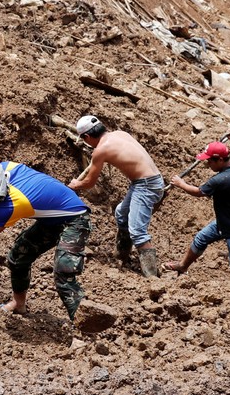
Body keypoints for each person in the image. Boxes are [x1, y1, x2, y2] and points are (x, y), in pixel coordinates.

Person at [0, 162, 114, 331]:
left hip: (75, 219)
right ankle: (18, 304)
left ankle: (83, 327)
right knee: (18, 258)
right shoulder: (5, 168)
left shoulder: (12, 205)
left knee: (63, 272)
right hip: (52, 219)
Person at [67, 115, 164, 278]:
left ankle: (152, 278)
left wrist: (76, 185)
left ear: (87, 137)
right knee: (121, 213)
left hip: (146, 185)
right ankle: (121, 255)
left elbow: (90, 183)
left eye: (84, 140)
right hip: (148, 181)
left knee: (138, 231)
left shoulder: (100, 151)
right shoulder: (120, 134)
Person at [164, 132, 230, 287]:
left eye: (210, 161)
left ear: (220, 160)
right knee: (200, 239)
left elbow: (198, 192)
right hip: (227, 221)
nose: (208, 164)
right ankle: (183, 266)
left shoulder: (220, 180)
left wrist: (181, 184)